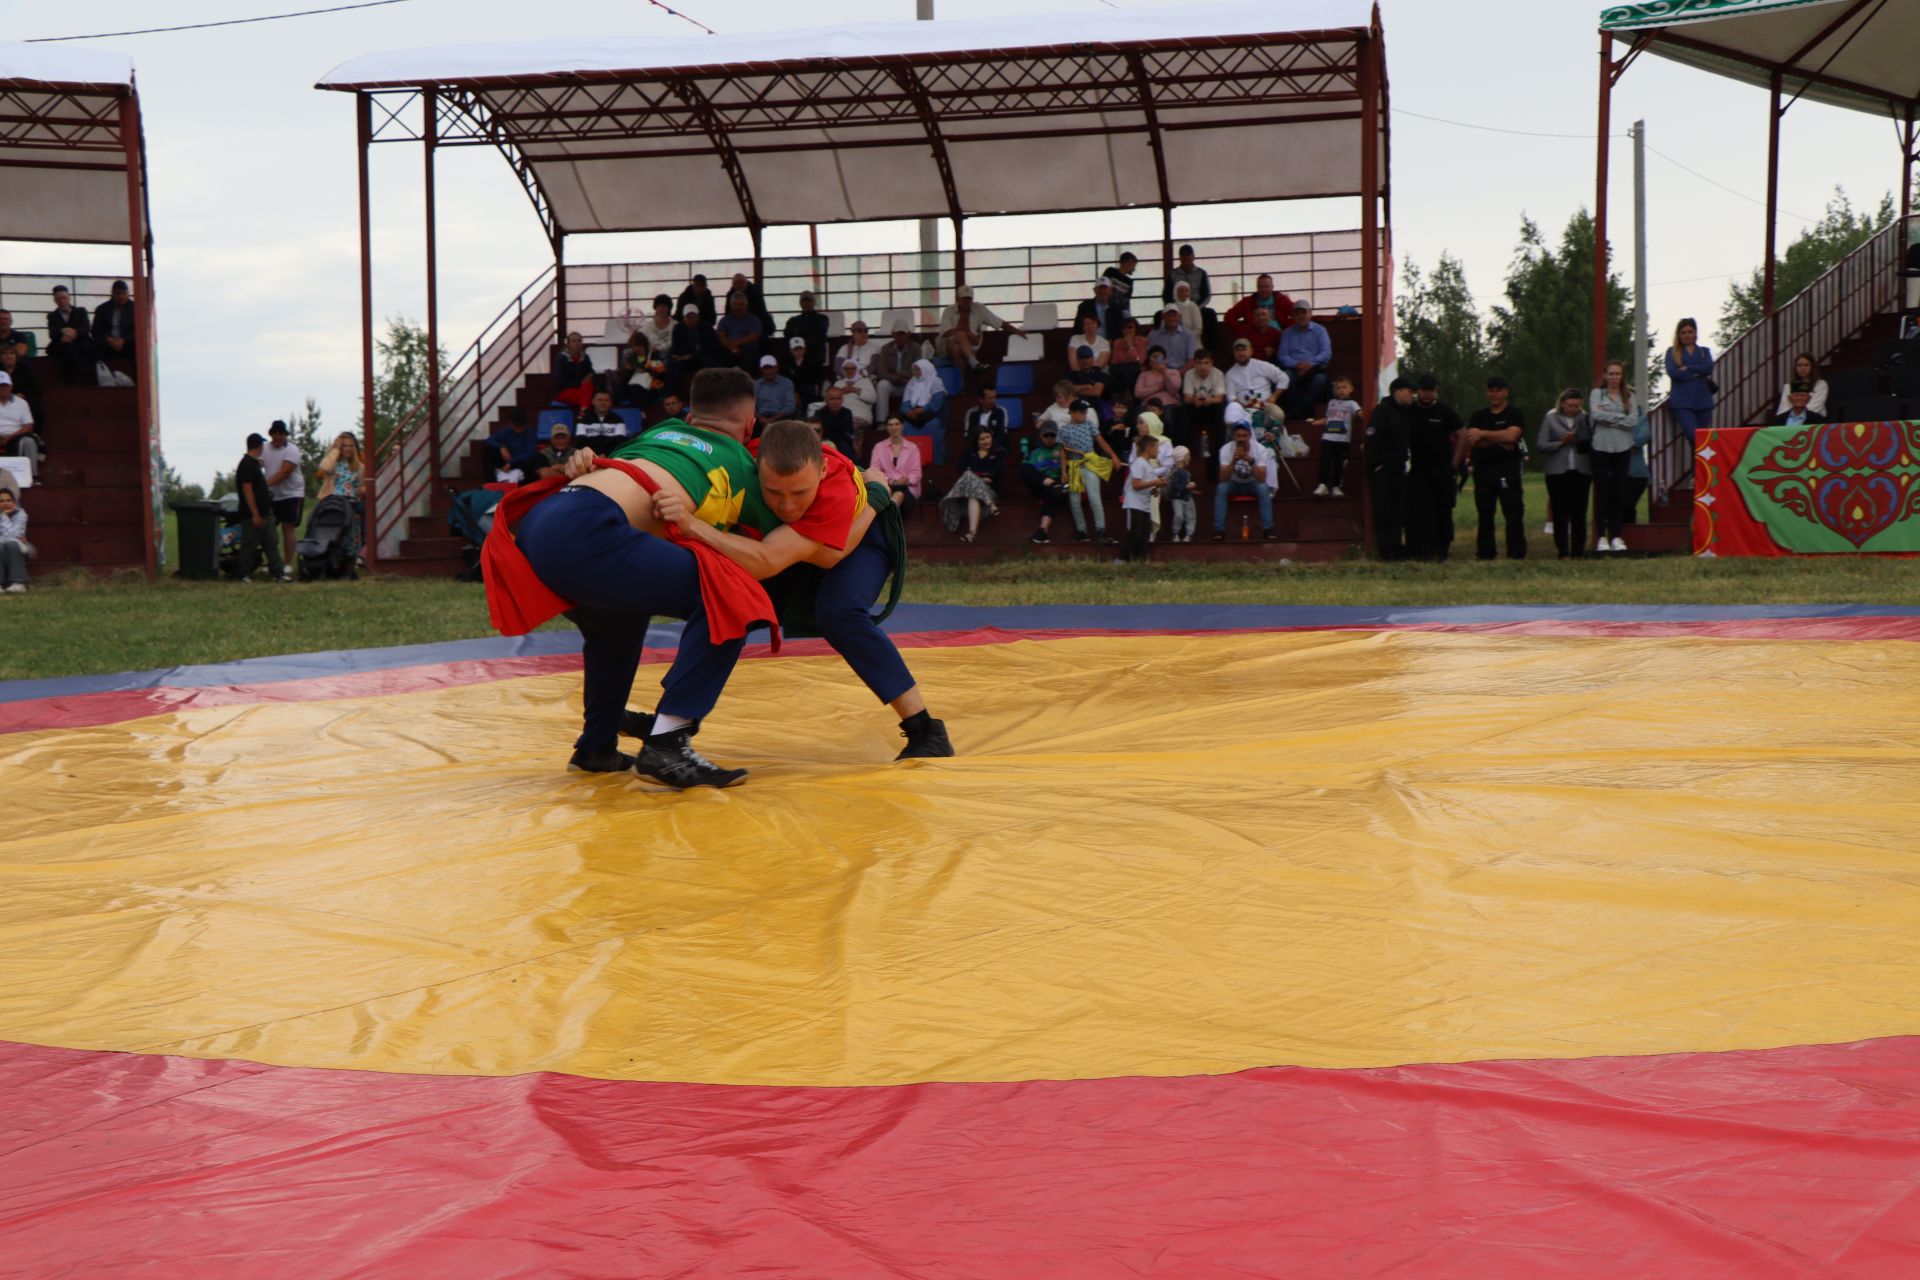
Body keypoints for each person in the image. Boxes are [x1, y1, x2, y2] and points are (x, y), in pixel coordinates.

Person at [485, 367, 775, 786]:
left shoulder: (658, 434)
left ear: (691, 416)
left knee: (616, 621)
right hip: (588, 528)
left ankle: (596, 747)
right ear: (750, 425)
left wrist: (581, 459)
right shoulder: (739, 461)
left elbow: (601, 469)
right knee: (730, 597)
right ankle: (668, 745)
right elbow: (776, 541)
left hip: (542, 522)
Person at [646, 418, 954, 761]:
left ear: (820, 473)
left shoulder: (835, 483)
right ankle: (672, 721)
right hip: (792, 544)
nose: (787, 506)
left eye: (799, 493)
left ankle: (925, 729)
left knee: (839, 612)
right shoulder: (739, 462)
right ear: (756, 468)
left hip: (859, 539)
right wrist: (588, 461)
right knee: (728, 599)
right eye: (774, 492)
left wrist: (875, 499)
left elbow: (830, 556)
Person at [1464, 376, 1528, 561]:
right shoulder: (1478, 415)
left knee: (1513, 513)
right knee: (1485, 514)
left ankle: (1516, 552)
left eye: (1498, 390)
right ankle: (1485, 553)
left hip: (1508, 470)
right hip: (1484, 471)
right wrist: (1500, 439)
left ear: (1506, 392)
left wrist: (1483, 434)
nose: (1494, 394)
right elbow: (1472, 441)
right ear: (1487, 392)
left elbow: (1511, 437)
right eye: (1491, 390)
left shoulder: (1515, 414)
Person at [1406, 374, 1464, 561]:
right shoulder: (1410, 410)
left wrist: (1454, 464)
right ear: (1418, 391)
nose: (1427, 394)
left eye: (1430, 390)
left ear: (1436, 391)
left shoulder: (1444, 411)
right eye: (1423, 390)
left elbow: (1462, 434)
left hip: (1442, 470)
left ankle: (1443, 549)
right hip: (1419, 469)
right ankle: (1424, 550)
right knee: (1421, 510)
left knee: (1443, 510)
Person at [1588, 359, 1641, 554]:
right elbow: (1595, 415)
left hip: (1622, 447)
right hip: (1600, 447)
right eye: (1611, 374)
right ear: (1605, 375)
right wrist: (1620, 418)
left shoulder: (1630, 396)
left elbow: (1634, 421)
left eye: (1617, 374)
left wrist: (1610, 416)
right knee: (1602, 491)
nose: (1614, 378)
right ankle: (1601, 536)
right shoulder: (1597, 394)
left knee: (1619, 492)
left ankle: (1616, 535)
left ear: (1622, 376)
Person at [1537, 388, 1593, 560]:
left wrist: (1578, 441)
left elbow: (1592, 443)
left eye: (1577, 406)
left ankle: (1578, 551)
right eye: (1570, 405)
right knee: (1559, 512)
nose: (1574, 409)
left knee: (1579, 512)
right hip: (1557, 471)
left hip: (1581, 470)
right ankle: (1562, 551)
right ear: (1562, 403)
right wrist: (1561, 443)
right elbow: (1541, 445)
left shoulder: (1585, 418)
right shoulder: (1550, 417)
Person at [1364, 378, 1416, 559]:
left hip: (1399, 468)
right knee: (1384, 510)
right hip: (1383, 469)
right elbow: (1371, 438)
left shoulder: (1405, 413)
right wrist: (1377, 465)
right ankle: (1386, 550)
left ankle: (1396, 546)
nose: (1412, 395)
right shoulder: (1383, 411)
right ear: (1398, 391)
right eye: (1410, 391)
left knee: (1397, 510)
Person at [1059, 398, 1122, 544]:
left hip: (1089, 463)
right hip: (1074, 465)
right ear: (1072, 413)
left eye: (1085, 412)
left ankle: (1101, 530)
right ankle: (1082, 532)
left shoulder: (1089, 425)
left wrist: (1113, 456)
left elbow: (1101, 442)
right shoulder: (1063, 430)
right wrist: (1063, 471)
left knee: (1095, 498)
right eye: (1081, 413)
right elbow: (1062, 452)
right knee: (1074, 501)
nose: (1085, 415)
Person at [231, 432, 290, 583]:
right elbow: (247, 490)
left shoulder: (255, 464)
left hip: (265, 513)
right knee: (249, 544)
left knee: (271, 543)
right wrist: (255, 513)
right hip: (253, 514)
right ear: (258, 445)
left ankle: (279, 573)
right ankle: (243, 573)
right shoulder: (246, 465)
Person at [1663, 317, 1714, 483]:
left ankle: (1698, 475)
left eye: (1690, 332)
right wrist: (1697, 374)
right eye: (1683, 332)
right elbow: (1673, 372)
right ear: (1678, 334)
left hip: (1703, 401)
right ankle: (1698, 474)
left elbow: (1708, 368)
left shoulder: (1704, 351)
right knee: (1694, 436)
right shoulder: (1672, 352)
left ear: (1696, 333)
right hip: (1681, 403)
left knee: (1703, 439)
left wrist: (1689, 368)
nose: (1687, 335)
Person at [1211, 421, 1276, 541]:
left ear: (1249, 436)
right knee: (1221, 488)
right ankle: (1219, 530)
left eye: (1244, 436)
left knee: (1263, 488)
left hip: (1252, 483)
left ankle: (1268, 529)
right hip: (1234, 483)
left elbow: (1262, 479)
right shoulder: (1226, 449)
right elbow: (1222, 478)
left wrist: (1251, 461)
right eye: (1238, 436)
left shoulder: (1259, 449)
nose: (1241, 439)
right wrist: (1232, 462)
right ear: (1234, 436)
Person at [941, 428, 1003, 543]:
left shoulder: (998, 452)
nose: (986, 441)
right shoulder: (969, 453)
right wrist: (979, 478)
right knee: (969, 477)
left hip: (989, 490)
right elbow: (961, 469)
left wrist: (983, 478)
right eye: (982, 439)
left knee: (971, 486)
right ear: (976, 441)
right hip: (969, 490)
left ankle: (972, 532)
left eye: (988, 437)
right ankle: (989, 508)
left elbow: (997, 472)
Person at [935, 287, 1018, 373]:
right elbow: (945, 332)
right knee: (960, 334)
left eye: (969, 298)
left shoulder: (979, 308)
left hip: (969, 347)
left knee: (957, 349)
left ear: (972, 299)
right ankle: (974, 362)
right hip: (947, 345)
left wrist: (1017, 331)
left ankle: (960, 383)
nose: (966, 301)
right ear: (958, 298)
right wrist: (966, 333)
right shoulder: (949, 310)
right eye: (964, 298)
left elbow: (998, 322)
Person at [1276, 302, 1332, 420]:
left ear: (1310, 314)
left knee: (1321, 379)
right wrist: (1297, 364)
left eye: (1304, 312)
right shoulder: (1287, 333)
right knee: (1285, 377)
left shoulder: (1320, 330)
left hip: (1315, 368)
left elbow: (1326, 353)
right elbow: (1282, 356)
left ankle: (1295, 412)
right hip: (1294, 368)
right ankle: (1304, 411)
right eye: (1297, 313)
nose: (1301, 316)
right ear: (1293, 316)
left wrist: (1309, 364)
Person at [262, 420, 306, 567]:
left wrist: (262, 486)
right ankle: (273, 563)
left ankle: (287, 564)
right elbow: (255, 463)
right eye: (275, 433)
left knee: (288, 527)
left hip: (292, 494)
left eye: (281, 434)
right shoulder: (264, 448)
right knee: (267, 529)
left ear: (285, 435)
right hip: (272, 495)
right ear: (271, 434)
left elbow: (284, 472)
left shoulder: (292, 450)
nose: (278, 437)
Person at [1309, 374, 1362, 497]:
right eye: (1338, 388)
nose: (1341, 390)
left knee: (1340, 463)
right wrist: (1318, 422)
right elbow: (1328, 418)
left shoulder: (1352, 404)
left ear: (1351, 389)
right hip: (1328, 437)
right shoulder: (1331, 402)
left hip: (1343, 439)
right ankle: (1322, 484)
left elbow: (1359, 413)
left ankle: (1336, 486)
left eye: (1344, 387)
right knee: (1325, 461)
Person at [1115, 434, 1164, 563]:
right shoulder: (1139, 463)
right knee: (1136, 532)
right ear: (1149, 448)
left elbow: (1146, 485)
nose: (1158, 451)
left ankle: (1141, 559)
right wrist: (1155, 483)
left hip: (1144, 504)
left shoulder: (1148, 465)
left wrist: (1154, 489)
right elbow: (1136, 485)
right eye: (1156, 448)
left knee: (1145, 533)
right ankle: (1122, 558)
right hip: (1135, 502)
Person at [316, 432, 365, 562]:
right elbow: (325, 467)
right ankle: (330, 559)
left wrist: (362, 490)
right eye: (344, 446)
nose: (348, 448)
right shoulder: (333, 464)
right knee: (333, 532)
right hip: (333, 504)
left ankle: (351, 561)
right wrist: (335, 449)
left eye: (351, 445)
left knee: (353, 531)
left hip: (351, 504)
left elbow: (361, 486)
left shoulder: (359, 467)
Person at [1020, 423, 1068, 543]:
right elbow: (1029, 472)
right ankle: (1052, 485)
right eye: (1046, 435)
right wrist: (1048, 482)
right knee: (1024, 467)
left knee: (1053, 493)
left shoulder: (1062, 448)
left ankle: (1042, 531)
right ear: (1041, 436)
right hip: (1040, 483)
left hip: (1058, 483)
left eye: (1052, 435)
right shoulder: (1036, 452)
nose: (1050, 438)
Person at [867, 414, 922, 514]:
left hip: (908, 487)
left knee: (899, 494)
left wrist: (906, 480)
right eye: (890, 425)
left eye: (897, 424)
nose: (894, 427)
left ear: (902, 426)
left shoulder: (912, 448)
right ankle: (889, 519)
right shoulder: (879, 447)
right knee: (886, 493)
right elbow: (874, 471)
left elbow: (916, 473)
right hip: (886, 484)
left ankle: (888, 519)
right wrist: (891, 481)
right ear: (886, 427)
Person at [1224, 274, 1295, 351]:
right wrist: (1243, 329)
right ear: (1257, 288)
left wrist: (1288, 328)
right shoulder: (1247, 302)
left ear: (1272, 287)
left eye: (1266, 286)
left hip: (1279, 337)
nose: (1263, 289)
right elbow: (1229, 317)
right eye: (1260, 287)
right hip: (1255, 339)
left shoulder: (1281, 300)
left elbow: (1297, 314)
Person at [873, 324, 926, 423]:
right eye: (898, 333)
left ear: (908, 334)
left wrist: (899, 373)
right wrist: (896, 378)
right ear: (893, 334)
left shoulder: (916, 348)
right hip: (893, 383)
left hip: (908, 383)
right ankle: (881, 421)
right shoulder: (885, 348)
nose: (900, 336)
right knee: (882, 385)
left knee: (918, 384)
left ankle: (913, 420)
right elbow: (881, 372)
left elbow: (917, 370)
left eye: (903, 334)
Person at [898, 359, 947, 463]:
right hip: (914, 416)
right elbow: (905, 402)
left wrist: (923, 409)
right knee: (905, 426)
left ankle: (935, 462)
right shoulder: (912, 382)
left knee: (933, 426)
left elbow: (938, 401)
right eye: (914, 370)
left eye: (918, 370)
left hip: (931, 415)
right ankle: (909, 463)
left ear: (926, 369)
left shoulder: (936, 381)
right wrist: (908, 412)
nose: (916, 373)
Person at [1178, 349, 1227, 448]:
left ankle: (1219, 450)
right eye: (1199, 363)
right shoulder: (1189, 374)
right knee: (1182, 411)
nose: (1203, 367)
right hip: (1195, 406)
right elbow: (1187, 397)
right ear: (1194, 364)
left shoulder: (1218, 374)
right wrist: (1194, 400)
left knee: (1221, 409)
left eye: (1206, 363)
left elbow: (1219, 398)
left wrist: (1210, 400)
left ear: (1211, 363)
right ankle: (1181, 449)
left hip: (1211, 407)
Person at [1224, 339, 1288, 413]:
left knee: (1278, 414)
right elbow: (1230, 396)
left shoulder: (1262, 365)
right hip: (1243, 410)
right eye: (1238, 350)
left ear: (1251, 351)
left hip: (1266, 406)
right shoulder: (1230, 374)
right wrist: (1242, 407)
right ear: (1234, 353)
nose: (1241, 353)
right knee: (1231, 412)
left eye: (1244, 350)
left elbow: (1283, 378)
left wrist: (1274, 397)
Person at [46, 286, 92, 384]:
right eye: (59, 299)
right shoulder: (52, 316)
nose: (62, 301)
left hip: (80, 342)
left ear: (69, 297)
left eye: (64, 298)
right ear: (55, 300)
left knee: (71, 348)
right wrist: (62, 332)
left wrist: (74, 333)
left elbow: (86, 327)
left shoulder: (80, 311)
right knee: (68, 347)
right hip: (63, 343)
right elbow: (52, 333)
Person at [668, 305, 715, 395]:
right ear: (684, 318)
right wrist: (693, 351)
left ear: (698, 317)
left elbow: (710, 347)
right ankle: (672, 395)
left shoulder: (707, 327)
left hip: (701, 358)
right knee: (672, 365)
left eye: (694, 317)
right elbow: (677, 348)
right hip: (684, 358)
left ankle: (708, 395)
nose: (691, 319)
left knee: (708, 362)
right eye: (688, 317)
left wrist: (692, 355)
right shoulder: (678, 328)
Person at [92, 279, 136, 372]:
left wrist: (123, 340)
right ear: (112, 294)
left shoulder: (135, 308)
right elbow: (96, 330)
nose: (121, 297)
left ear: (128, 293)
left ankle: (136, 382)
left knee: (138, 349)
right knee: (94, 349)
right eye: (118, 294)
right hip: (108, 343)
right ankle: (101, 381)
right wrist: (110, 339)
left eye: (123, 294)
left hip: (127, 343)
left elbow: (138, 331)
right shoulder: (102, 309)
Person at [715, 291, 765, 372]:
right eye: (735, 304)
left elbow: (754, 335)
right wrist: (731, 347)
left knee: (750, 361)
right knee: (720, 361)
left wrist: (737, 343)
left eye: (741, 304)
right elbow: (721, 337)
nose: (737, 307)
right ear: (731, 306)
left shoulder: (754, 319)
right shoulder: (724, 320)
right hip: (728, 350)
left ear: (746, 305)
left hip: (748, 351)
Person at [487, 409, 543, 482]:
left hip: (522, 462)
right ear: (511, 424)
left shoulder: (530, 433)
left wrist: (512, 462)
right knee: (488, 450)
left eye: (521, 426)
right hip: (508, 459)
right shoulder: (506, 431)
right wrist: (502, 447)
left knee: (532, 460)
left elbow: (531, 453)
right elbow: (489, 440)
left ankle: (524, 482)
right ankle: (492, 480)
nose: (518, 429)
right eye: (516, 426)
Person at [616, 328, 664, 409]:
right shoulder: (631, 357)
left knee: (638, 391)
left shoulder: (653, 355)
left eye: (639, 346)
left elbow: (660, 373)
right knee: (635, 389)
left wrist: (647, 369)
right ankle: (641, 412)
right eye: (634, 347)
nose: (637, 349)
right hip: (634, 386)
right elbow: (625, 378)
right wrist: (629, 370)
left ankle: (641, 411)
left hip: (652, 385)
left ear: (644, 345)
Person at [0, 373, 40, 468]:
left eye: (6, 385)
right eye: (0, 385)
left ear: (11, 386)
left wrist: (10, 437)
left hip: (16, 436)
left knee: (29, 442)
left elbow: (29, 425)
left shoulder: (21, 403)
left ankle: (32, 476)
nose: (3, 388)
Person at [828, 357, 877, 429]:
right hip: (841, 415)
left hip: (861, 415)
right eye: (846, 368)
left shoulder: (865, 381)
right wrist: (841, 392)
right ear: (843, 370)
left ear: (857, 369)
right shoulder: (838, 383)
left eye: (852, 368)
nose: (849, 371)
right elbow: (830, 400)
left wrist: (856, 390)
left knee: (850, 425)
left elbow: (873, 398)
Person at [551, 331, 596, 409]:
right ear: (568, 344)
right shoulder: (561, 358)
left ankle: (583, 412)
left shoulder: (585, 357)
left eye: (579, 341)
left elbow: (590, 372)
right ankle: (584, 413)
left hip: (583, 389)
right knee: (587, 396)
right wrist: (580, 383)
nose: (577, 344)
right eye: (573, 341)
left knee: (588, 388)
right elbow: (559, 382)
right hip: (565, 390)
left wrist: (591, 375)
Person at [1145, 307, 1195, 374]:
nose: (1171, 318)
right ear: (1163, 317)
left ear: (1179, 317)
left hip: (1182, 372)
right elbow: (1150, 358)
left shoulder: (1189, 335)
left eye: (1174, 315)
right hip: (1158, 372)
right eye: (1168, 315)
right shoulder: (1153, 336)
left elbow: (1191, 359)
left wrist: (1180, 373)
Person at [1165, 444, 1198, 543]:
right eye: (1188, 456)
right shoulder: (1173, 472)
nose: (1190, 458)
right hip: (1177, 498)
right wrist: (1186, 487)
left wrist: (1191, 490)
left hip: (1187, 497)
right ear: (1182, 458)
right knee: (1179, 515)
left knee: (1190, 515)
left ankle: (1189, 534)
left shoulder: (1186, 472)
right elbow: (1174, 486)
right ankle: (1175, 533)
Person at [1108, 316, 1147, 399]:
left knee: (1132, 373)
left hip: (1137, 372)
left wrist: (1130, 346)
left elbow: (1140, 361)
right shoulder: (1117, 342)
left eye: (1130, 327)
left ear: (1136, 329)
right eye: (1124, 328)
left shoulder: (1143, 341)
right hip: (1121, 373)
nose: (1127, 330)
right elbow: (1115, 362)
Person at [783, 290, 829, 359]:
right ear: (800, 303)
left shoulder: (822, 318)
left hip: (816, 357)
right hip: (797, 358)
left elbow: (820, 332)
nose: (807, 303)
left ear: (814, 302)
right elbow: (788, 336)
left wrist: (799, 333)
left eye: (809, 301)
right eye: (804, 301)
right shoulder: (793, 320)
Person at [1163, 244, 1211, 308]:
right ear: (1179, 257)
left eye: (1188, 255)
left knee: (1210, 313)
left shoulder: (1201, 273)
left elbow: (1206, 295)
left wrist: (1196, 307)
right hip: (1177, 308)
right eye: (1183, 255)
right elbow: (1166, 295)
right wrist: (1173, 308)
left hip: (1198, 307)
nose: (1185, 257)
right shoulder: (1172, 274)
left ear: (1193, 257)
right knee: (1159, 315)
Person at [813, 385, 858, 455]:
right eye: (832, 399)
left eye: (838, 398)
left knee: (843, 445)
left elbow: (848, 435)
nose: (836, 402)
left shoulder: (847, 413)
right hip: (826, 445)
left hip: (844, 446)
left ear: (842, 400)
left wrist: (835, 437)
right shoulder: (820, 414)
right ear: (826, 401)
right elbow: (822, 435)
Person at [754, 355, 797, 426]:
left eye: (771, 367)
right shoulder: (755, 385)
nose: (768, 371)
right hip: (760, 419)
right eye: (765, 368)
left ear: (777, 367)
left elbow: (790, 406)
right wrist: (761, 418)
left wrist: (771, 420)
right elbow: (751, 407)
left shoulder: (787, 383)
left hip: (781, 418)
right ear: (761, 369)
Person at [0, 485, 27, 592]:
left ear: (13, 502)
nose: (5, 503)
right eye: (1, 501)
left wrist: (3, 516)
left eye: (8, 500)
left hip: (17, 546)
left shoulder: (21, 514)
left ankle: (18, 583)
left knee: (12, 544)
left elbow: (13, 536)